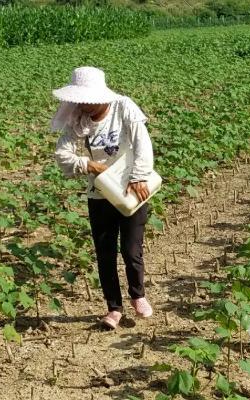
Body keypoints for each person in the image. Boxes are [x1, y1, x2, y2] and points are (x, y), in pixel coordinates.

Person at [50, 66, 154, 329]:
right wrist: (89, 165)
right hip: (100, 194)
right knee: (104, 252)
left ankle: (138, 295)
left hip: (132, 188)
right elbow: (62, 154)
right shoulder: (78, 119)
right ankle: (114, 308)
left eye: (87, 100)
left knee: (131, 249)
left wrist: (139, 176)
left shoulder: (123, 107)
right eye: (79, 100)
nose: (82, 105)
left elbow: (142, 143)